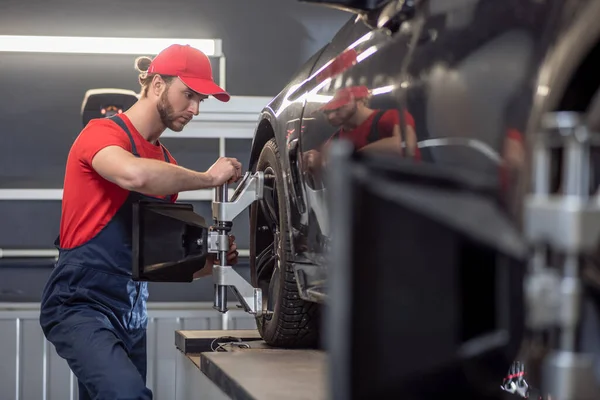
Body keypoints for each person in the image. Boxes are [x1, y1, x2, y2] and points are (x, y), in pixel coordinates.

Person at [39, 44, 242, 400]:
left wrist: (205, 265)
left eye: (201, 101)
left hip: (132, 312)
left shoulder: (166, 163)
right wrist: (208, 179)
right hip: (80, 304)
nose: (195, 109)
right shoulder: (102, 134)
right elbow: (134, 175)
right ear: (158, 86)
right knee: (128, 395)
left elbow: (148, 262)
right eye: (189, 95)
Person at [304, 86, 420, 173]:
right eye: (326, 112)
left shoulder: (392, 117)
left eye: (339, 108)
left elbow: (406, 146)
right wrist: (315, 161)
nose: (331, 116)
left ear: (359, 101)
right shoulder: (335, 140)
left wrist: (352, 156)